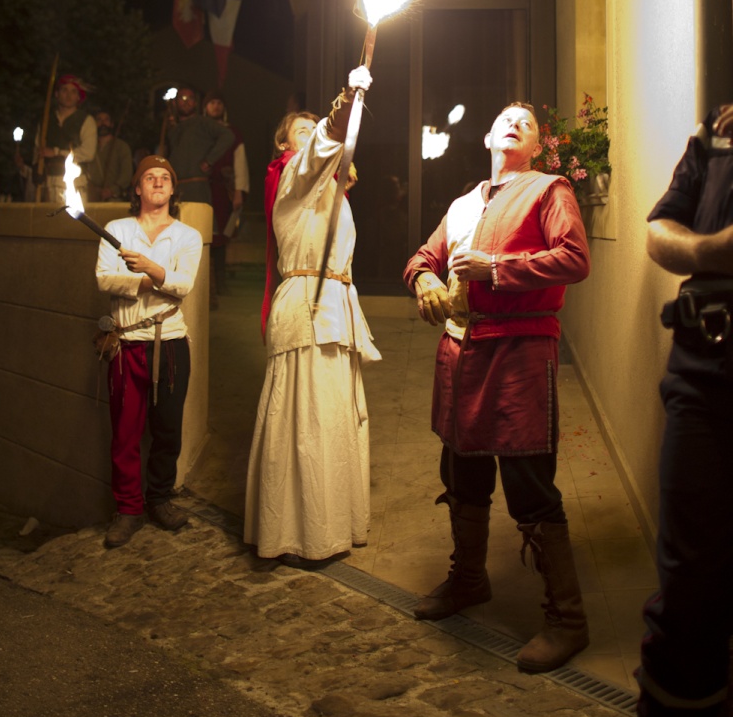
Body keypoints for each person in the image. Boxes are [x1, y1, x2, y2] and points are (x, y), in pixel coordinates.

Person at [403, 101, 591, 673]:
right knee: (462, 475)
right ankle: (468, 580)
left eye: (526, 123)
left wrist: (498, 269)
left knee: (530, 485)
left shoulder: (548, 190)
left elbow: (575, 259)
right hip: (460, 356)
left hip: (519, 354)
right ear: (487, 136)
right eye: (505, 118)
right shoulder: (464, 204)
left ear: (537, 145)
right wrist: (425, 280)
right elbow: (421, 257)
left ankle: (568, 618)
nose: (514, 124)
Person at [244, 66, 381, 566]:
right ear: (286, 148)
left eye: (313, 129)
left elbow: (332, 151)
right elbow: (323, 146)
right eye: (301, 132)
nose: (312, 137)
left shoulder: (335, 199)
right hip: (306, 305)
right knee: (304, 421)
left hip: (337, 307)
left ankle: (335, 524)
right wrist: (347, 101)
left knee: (335, 420)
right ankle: (296, 533)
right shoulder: (291, 182)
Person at [636, 104, 733, 717]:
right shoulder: (717, 131)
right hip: (705, 370)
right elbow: (658, 230)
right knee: (690, 579)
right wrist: (714, 251)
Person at [95, 154, 202, 549]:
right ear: (137, 188)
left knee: (167, 430)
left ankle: (159, 499)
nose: (157, 183)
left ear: (173, 190)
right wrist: (149, 280)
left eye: (165, 178)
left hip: (170, 343)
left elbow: (183, 284)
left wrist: (150, 269)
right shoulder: (116, 229)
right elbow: (105, 279)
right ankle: (127, 510)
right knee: (125, 434)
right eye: (149, 178)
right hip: (126, 345)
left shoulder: (187, 236)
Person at [202, 89, 250, 294]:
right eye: (212, 103)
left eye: (219, 103)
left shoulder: (232, 133)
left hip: (222, 191)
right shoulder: (199, 132)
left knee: (220, 236)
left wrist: (238, 190)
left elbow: (239, 162)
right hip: (202, 189)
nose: (216, 106)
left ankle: (219, 284)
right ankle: (203, 284)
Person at [165, 86, 235, 208]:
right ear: (176, 103)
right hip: (174, 188)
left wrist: (209, 160)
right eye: (182, 98)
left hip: (197, 187)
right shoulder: (173, 130)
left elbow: (228, 136)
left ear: (195, 103)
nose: (186, 101)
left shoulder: (203, 123)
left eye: (190, 98)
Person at [34, 74, 97, 204]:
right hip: (49, 181)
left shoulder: (86, 120)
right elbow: (38, 150)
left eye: (73, 91)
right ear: (57, 94)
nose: (68, 95)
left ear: (78, 97)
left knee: (72, 222)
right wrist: (36, 172)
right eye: (64, 90)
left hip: (76, 181)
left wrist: (57, 152)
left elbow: (88, 153)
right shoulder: (47, 120)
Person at [85, 110, 134, 202]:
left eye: (106, 120)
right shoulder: (88, 147)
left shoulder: (121, 146)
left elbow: (126, 174)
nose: (103, 123)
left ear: (111, 124)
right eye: (99, 120)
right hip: (91, 198)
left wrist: (112, 190)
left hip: (114, 198)